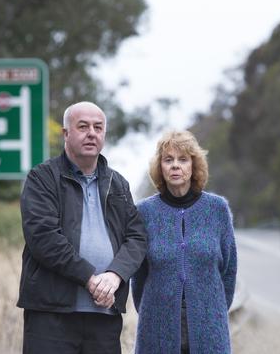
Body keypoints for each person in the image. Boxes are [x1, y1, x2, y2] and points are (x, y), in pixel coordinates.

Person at [17, 101, 147, 354]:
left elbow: (137, 237)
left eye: (98, 127)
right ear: (66, 134)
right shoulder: (42, 178)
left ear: (104, 135)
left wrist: (115, 275)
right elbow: (43, 237)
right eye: (83, 126)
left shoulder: (118, 183)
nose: (91, 133)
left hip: (104, 314)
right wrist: (90, 279)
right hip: (51, 314)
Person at [132, 130, 237, 354]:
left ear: (193, 165)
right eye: (168, 160)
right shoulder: (144, 212)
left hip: (209, 324)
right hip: (156, 324)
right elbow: (138, 275)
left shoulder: (217, 209)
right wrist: (152, 312)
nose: (175, 166)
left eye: (183, 159)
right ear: (160, 167)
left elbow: (229, 270)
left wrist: (214, 310)